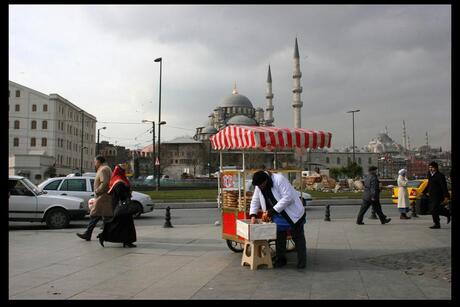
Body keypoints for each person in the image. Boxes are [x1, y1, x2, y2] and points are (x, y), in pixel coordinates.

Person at [249, 170, 307, 269]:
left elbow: (287, 198)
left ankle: (302, 261)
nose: (260, 188)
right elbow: (255, 200)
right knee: (280, 237)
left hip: (292, 213)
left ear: (266, 180)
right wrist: (253, 215)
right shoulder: (259, 185)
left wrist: (271, 211)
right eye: (258, 186)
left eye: (261, 185)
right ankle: (281, 259)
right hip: (278, 215)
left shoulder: (279, 179)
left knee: (297, 237)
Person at [97, 164, 137, 247]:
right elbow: (120, 194)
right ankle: (103, 236)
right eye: (123, 171)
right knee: (117, 224)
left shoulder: (117, 179)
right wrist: (127, 195)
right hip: (121, 206)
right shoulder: (119, 181)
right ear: (120, 171)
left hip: (120, 206)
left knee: (123, 224)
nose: (124, 172)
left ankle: (127, 241)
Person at [76, 156, 113, 241]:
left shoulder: (103, 169)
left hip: (102, 197)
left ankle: (88, 234)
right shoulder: (106, 168)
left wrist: (97, 191)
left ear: (99, 161)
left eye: (95, 162)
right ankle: (102, 234)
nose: (94, 163)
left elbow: (105, 183)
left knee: (95, 215)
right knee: (104, 217)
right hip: (104, 197)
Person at [423, 161, 450, 229]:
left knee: (434, 209)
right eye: (429, 167)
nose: (430, 169)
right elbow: (429, 184)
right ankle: (447, 214)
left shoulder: (440, 175)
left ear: (436, 168)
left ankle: (437, 224)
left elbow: (444, 186)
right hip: (431, 195)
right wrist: (423, 192)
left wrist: (446, 196)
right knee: (435, 209)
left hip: (438, 195)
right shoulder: (429, 175)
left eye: (432, 167)